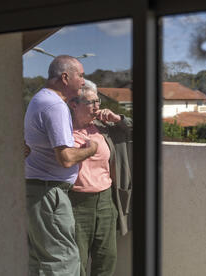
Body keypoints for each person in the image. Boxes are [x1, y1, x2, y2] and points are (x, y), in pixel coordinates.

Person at [24, 55, 98, 276]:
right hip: (49, 193)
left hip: (37, 190)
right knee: (63, 261)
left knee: (42, 261)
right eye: (81, 76)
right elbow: (65, 158)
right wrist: (90, 149)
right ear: (65, 77)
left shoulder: (39, 99)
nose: (83, 81)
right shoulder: (55, 105)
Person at [67, 79, 133, 276]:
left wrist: (117, 119)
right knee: (75, 262)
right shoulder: (63, 130)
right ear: (74, 104)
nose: (97, 107)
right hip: (75, 204)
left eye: (98, 102)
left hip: (106, 202)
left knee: (106, 261)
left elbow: (137, 129)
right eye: (91, 102)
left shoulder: (104, 128)